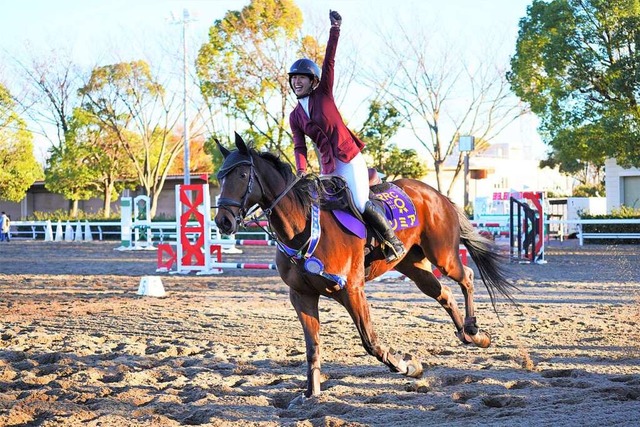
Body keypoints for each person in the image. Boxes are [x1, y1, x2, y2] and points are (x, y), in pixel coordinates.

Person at [288, 10, 405, 262]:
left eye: (302, 78)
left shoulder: (324, 95)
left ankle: (393, 242)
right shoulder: (294, 116)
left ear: (313, 81)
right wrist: (299, 171)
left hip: (349, 159)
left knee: (361, 203)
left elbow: (329, 60)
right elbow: (299, 147)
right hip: (328, 167)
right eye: (294, 78)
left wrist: (335, 29)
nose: (297, 82)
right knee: (323, 208)